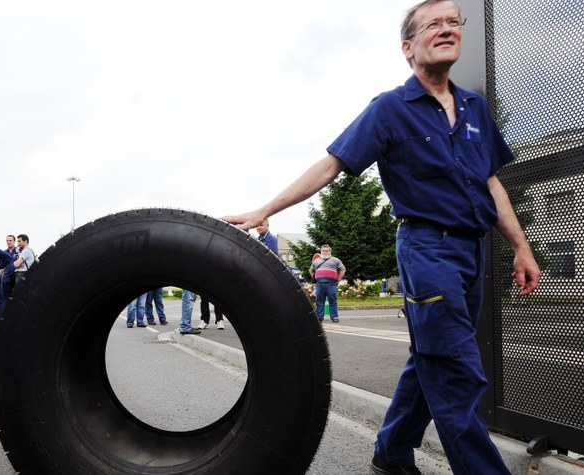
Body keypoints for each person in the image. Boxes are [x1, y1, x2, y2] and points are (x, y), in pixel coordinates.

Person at [223, 1, 541, 473]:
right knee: (455, 371)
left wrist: (520, 245)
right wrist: (267, 209)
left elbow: (491, 182)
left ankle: (391, 453)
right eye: (433, 23)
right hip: (427, 249)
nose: (447, 28)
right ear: (408, 48)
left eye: (454, 21)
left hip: (473, 250)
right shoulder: (390, 109)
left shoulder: (475, 107)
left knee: (429, 356)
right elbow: (332, 164)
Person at [309, 244, 346, 323]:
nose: (325, 252)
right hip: (319, 284)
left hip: (331, 284)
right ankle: (319, 317)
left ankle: (334, 317)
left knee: (332, 301)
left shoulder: (336, 260)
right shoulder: (316, 261)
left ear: (330, 251)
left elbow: (343, 269)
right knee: (319, 301)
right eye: (323, 251)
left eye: (327, 251)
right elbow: (311, 270)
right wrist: (317, 277)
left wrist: (338, 279)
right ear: (321, 251)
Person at [1, 234, 18, 300]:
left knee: (16, 299)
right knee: (5, 298)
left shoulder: (19, 251)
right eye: (7, 240)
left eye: (10, 240)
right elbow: (1, 267)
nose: (8, 242)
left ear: (14, 241)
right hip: (6, 278)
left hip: (16, 278)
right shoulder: (3, 253)